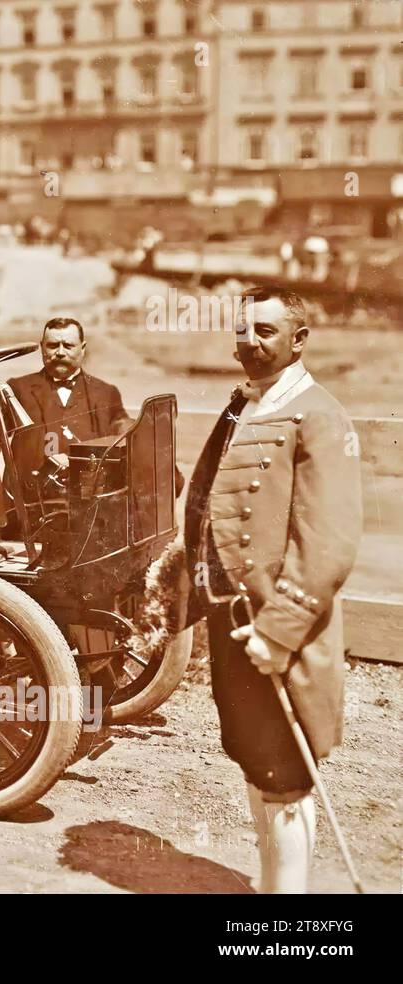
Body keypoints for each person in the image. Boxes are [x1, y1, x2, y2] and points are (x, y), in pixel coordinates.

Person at [178, 286, 362, 893]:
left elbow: (328, 544)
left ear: (298, 340)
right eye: (242, 330)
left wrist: (279, 633)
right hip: (234, 620)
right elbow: (206, 505)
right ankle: (269, 893)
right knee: (257, 763)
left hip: (282, 629)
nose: (249, 343)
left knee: (287, 775)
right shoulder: (245, 405)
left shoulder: (320, 414)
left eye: (265, 331)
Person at [7, 316, 132, 484]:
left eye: (68, 346)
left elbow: (125, 436)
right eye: (52, 345)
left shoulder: (107, 393)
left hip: (89, 501)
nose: (59, 352)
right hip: (30, 500)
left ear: (83, 348)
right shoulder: (17, 389)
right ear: (42, 347)